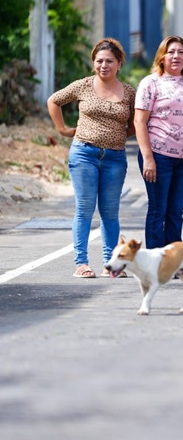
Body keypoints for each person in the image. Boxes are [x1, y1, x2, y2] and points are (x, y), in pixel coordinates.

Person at [47, 38, 135, 278]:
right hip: (84, 153)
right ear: (93, 62)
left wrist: (117, 135)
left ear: (119, 64)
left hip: (115, 158)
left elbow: (136, 123)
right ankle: (81, 263)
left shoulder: (129, 92)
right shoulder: (83, 85)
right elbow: (53, 101)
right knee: (85, 208)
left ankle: (110, 263)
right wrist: (63, 130)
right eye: (99, 61)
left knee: (110, 211)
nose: (103, 65)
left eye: (109, 61)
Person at [134, 35, 183, 250]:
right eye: (171, 52)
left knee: (176, 212)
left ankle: (174, 260)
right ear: (162, 57)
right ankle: (155, 260)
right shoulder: (151, 83)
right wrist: (148, 159)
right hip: (158, 155)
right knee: (158, 210)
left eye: (181, 52)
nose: (176, 56)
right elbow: (139, 121)